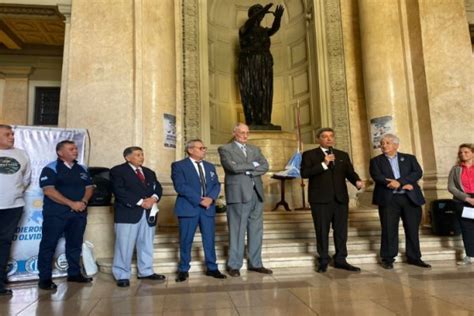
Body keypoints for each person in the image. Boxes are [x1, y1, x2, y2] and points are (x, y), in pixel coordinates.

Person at [301, 127, 364, 273]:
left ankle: (341, 259)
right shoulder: (309, 155)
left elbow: (350, 172)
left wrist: (357, 181)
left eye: (331, 136)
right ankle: (323, 259)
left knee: (341, 231)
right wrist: (323, 163)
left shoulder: (342, 155)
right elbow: (305, 173)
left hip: (340, 199)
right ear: (318, 139)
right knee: (322, 230)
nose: (329, 139)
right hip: (320, 200)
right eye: (325, 136)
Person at [38, 140, 94, 290]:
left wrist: (83, 201)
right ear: (60, 152)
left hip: (79, 214)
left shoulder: (82, 168)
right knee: (48, 245)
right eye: (71, 149)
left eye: (76, 148)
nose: (75, 151)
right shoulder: (51, 168)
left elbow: (89, 188)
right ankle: (44, 279)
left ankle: (74, 274)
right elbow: (49, 191)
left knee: (75, 245)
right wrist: (71, 204)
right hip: (56, 214)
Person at [369, 134, 431, 269]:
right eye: (382, 143)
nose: (384, 145)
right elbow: (378, 177)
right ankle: (388, 258)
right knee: (388, 229)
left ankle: (414, 257)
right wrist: (401, 184)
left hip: (410, 198)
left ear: (396, 145)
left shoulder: (409, 158)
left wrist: (400, 182)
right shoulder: (375, 161)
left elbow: (417, 173)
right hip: (388, 199)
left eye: (387, 143)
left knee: (412, 229)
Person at [218, 123, 272, 276]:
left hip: (257, 193)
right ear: (234, 133)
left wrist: (246, 168)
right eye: (242, 132)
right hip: (239, 194)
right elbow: (232, 168)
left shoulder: (255, 149)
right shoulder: (225, 149)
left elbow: (265, 166)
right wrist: (253, 166)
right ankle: (234, 265)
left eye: (247, 132)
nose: (245, 135)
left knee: (256, 230)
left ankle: (256, 263)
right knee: (237, 230)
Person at [171, 139, 226, 282]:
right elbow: (180, 186)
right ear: (190, 150)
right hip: (189, 208)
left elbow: (216, 184)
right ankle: (183, 269)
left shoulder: (209, 166)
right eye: (201, 148)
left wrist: (211, 198)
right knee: (186, 239)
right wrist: (200, 200)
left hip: (208, 209)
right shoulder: (179, 166)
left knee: (209, 239)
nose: (204, 150)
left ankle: (212, 268)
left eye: (204, 148)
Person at [110, 146, 165, 287]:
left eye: (142, 154)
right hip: (128, 213)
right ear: (127, 157)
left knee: (146, 244)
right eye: (138, 155)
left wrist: (153, 199)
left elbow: (158, 188)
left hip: (148, 214)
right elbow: (119, 191)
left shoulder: (149, 172)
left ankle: (146, 271)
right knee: (124, 245)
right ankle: (122, 274)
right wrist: (141, 202)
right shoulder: (118, 171)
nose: (141, 157)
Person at [238, 3, 284, 128]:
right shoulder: (244, 29)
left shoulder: (264, 31)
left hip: (264, 62)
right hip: (249, 62)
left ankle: (264, 119)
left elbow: (274, 29)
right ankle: (252, 120)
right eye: (258, 13)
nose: (260, 16)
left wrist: (278, 18)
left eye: (261, 13)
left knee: (265, 90)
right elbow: (250, 22)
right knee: (251, 90)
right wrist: (263, 10)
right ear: (252, 14)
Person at [0, 125, 31, 296]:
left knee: (4, 245)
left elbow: (26, 179)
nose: (11, 137)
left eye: (12, 134)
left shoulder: (21, 154)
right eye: (7, 134)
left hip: (13, 206)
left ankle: (0, 284)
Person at [447, 143, 474, 265]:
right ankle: (470, 256)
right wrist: (467, 199)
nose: (463, 154)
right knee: (467, 229)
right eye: (461, 153)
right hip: (463, 202)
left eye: (466, 152)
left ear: (473, 153)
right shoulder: (456, 169)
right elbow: (451, 187)